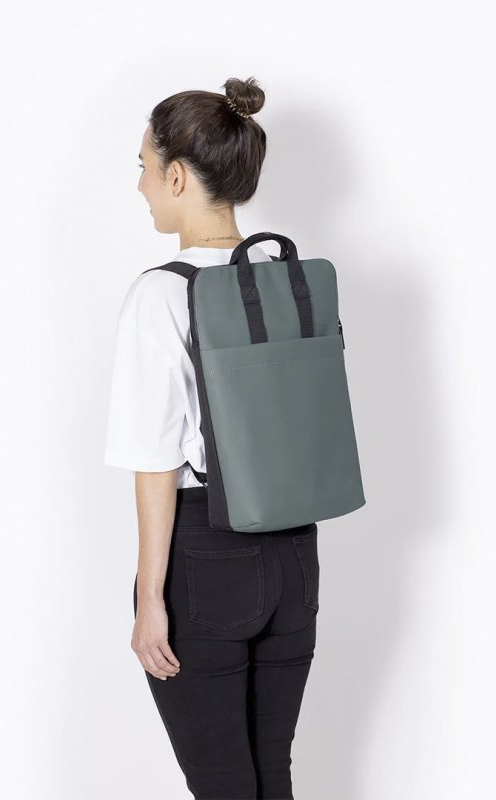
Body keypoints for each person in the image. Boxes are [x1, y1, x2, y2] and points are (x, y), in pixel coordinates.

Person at [103, 76, 320, 800]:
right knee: (270, 776)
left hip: (205, 557)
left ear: (176, 176)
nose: (140, 186)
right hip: (295, 556)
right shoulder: (284, 277)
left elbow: (155, 462)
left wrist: (150, 600)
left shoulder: (162, 293)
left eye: (143, 167)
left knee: (223, 786)